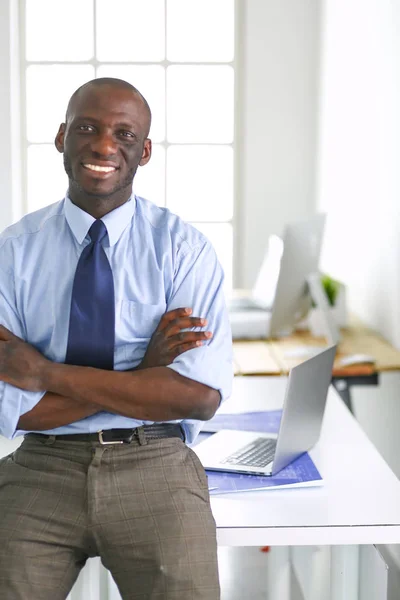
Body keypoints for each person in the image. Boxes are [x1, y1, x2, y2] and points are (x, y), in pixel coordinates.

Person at [0, 77, 232, 599]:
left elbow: (197, 397)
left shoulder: (183, 251)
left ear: (144, 151)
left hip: (155, 462)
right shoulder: (11, 255)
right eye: (88, 128)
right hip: (41, 465)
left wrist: (46, 374)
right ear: (61, 137)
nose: (104, 146)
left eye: (124, 135)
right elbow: (14, 411)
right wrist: (143, 374)